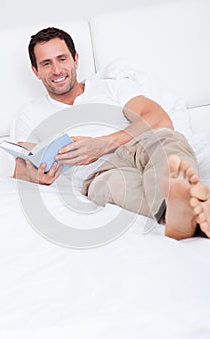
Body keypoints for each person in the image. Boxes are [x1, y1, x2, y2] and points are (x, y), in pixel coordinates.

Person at [13, 27, 210, 240]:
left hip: (139, 148)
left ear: (76, 59)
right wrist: (37, 176)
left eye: (62, 59)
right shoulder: (30, 114)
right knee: (111, 186)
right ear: (36, 71)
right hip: (100, 174)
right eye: (46, 63)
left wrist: (104, 144)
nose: (57, 70)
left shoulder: (111, 88)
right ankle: (191, 213)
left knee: (165, 140)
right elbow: (20, 170)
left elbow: (160, 120)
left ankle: (186, 214)